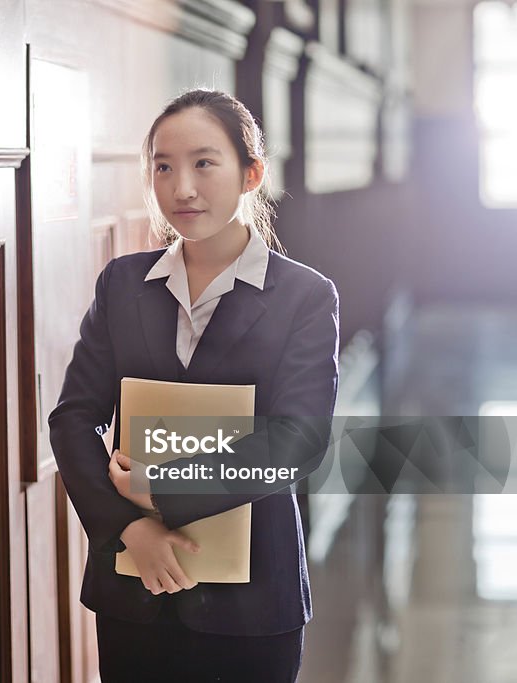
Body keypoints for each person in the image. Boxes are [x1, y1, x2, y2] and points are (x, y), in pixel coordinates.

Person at [48, 89, 339, 682]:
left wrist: (162, 489)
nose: (181, 187)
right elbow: (73, 419)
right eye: (163, 166)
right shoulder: (123, 284)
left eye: (204, 163)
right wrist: (130, 529)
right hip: (135, 590)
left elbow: (298, 440)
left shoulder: (305, 296)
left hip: (253, 597)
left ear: (250, 173)